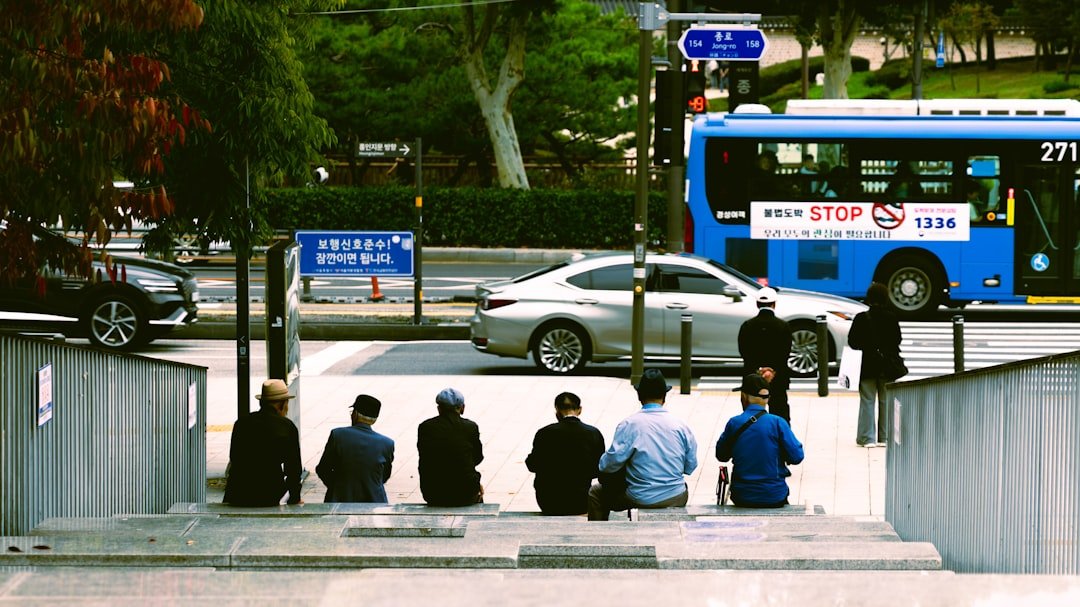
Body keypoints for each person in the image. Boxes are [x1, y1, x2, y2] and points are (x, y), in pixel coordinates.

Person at [586, 369, 698, 521]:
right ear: (664, 397)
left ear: (639, 396)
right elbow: (690, 467)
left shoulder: (629, 425)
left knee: (596, 493)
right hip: (676, 496)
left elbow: (608, 465)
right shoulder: (681, 426)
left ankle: (600, 536)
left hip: (640, 497)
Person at [716, 373, 804, 508]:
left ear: (743, 396)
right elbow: (797, 457)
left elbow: (721, 456)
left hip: (742, 495)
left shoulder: (734, 423)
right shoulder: (778, 423)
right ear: (767, 399)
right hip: (774, 495)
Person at [223, 379, 303, 506]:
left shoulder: (241, 424)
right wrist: (295, 498)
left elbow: (234, 457)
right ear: (282, 404)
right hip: (270, 494)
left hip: (238, 493)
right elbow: (293, 469)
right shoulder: (287, 427)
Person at [525, 392, 606, 515]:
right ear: (580, 410)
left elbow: (532, 465)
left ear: (557, 410)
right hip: (581, 500)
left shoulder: (545, 433)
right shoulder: (593, 433)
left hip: (549, 501)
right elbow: (600, 469)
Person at [847, 282, 903, 447]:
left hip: (867, 365)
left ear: (869, 299)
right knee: (886, 401)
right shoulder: (891, 317)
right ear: (885, 298)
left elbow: (853, 342)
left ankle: (867, 438)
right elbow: (897, 340)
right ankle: (884, 438)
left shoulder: (861, 318)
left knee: (867, 401)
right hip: (887, 365)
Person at [316, 394, 395, 503]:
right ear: (374, 419)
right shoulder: (387, 443)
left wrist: (336, 486)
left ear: (355, 414)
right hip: (375, 503)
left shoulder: (338, 435)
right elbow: (384, 475)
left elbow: (323, 469)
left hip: (340, 500)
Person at [417, 387, 484, 506]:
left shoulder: (425, 427)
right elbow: (478, 458)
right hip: (465, 491)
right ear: (462, 408)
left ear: (439, 409)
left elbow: (424, 455)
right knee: (473, 487)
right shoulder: (470, 427)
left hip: (433, 491)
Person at [737, 287, 793, 422]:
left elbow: (744, 351)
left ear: (757, 304)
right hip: (778, 377)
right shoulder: (783, 326)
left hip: (752, 376)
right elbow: (785, 352)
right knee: (780, 412)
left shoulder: (748, 325)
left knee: (752, 415)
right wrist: (772, 370)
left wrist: (759, 369)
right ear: (774, 304)